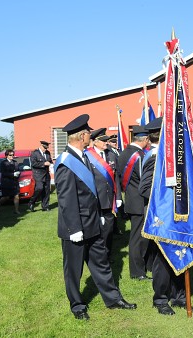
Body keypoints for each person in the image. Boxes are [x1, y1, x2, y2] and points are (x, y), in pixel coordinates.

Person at [54, 114, 136, 320]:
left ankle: (113, 298)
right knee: (73, 270)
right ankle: (77, 305)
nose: (90, 135)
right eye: (89, 132)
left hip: (93, 222)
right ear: (82, 136)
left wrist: (99, 213)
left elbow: (93, 191)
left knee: (101, 263)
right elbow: (66, 199)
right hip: (76, 228)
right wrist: (74, 229)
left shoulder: (83, 157)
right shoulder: (66, 161)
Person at [139, 117, 193, 315]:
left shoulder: (174, 157)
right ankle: (161, 299)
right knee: (163, 260)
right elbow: (145, 188)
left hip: (177, 215)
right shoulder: (155, 157)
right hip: (162, 217)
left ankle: (179, 296)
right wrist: (168, 198)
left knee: (180, 254)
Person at [117, 125, 152, 281]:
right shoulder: (137, 155)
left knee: (139, 236)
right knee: (138, 238)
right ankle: (137, 272)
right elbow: (143, 179)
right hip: (139, 200)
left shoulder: (124, 152)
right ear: (144, 139)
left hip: (132, 198)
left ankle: (142, 266)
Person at [86, 128, 122, 260]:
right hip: (96, 199)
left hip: (109, 198)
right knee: (96, 230)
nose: (106, 142)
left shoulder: (111, 155)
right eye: (103, 140)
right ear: (95, 142)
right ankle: (96, 255)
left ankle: (107, 253)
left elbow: (116, 177)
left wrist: (118, 197)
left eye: (106, 140)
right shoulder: (87, 156)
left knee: (108, 229)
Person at [106, 134, 124, 235]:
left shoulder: (114, 152)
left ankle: (115, 228)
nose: (114, 143)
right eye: (113, 142)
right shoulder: (108, 152)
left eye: (115, 142)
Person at [29, 140, 53, 212]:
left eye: (46, 148)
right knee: (39, 188)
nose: (46, 149)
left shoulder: (47, 153)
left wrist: (50, 164)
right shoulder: (35, 153)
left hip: (46, 174)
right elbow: (33, 164)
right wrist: (43, 164)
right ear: (41, 146)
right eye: (45, 148)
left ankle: (45, 206)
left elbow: (50, 161)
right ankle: (32, 202)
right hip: (38, 174)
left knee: (46, 191)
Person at [0, 149, 21, 214]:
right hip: (6, 182)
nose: (12, 156)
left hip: (14, 182)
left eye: (13, 155)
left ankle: (16, 210)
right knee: (6, 197)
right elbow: (3, 173)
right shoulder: (3, 163)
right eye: (10, 155)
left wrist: (18, 173)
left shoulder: (15, 162)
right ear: (6, 155)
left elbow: (18, 170)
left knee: (16, 196)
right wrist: (13, 174)